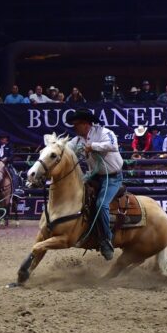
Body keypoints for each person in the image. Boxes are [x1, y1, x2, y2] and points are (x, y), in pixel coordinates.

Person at [68, 109, 122, 260]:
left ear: (85, 124)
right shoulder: (77, 140)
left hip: (111, 177)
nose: (74, 127)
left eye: (76, 124)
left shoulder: (105, 132)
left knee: (101, 205)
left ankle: (106, 240)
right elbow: (65, 149)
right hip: (95, 177)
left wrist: (92, 146)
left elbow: (113, 145)